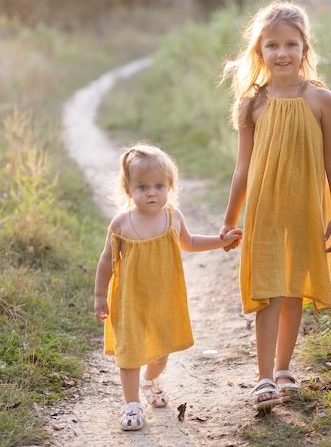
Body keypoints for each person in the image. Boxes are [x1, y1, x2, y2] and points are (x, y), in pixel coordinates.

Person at [219, 0, 331, 412]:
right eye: (272, 45)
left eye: (291, 43)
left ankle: (285, 368)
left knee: (294, 292)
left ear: (305, 49)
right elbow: (242, 169)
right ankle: (263, 377)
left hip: (305, 207)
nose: (282, 53)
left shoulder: (322, 100)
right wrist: (229, 219)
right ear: (260, 52)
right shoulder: (252, 104)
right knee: (269, 292)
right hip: (265, 209)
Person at [94, 142, 242, 431]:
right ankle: (131, 405)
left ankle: (150, 380)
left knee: (161, 352)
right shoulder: (121, 224)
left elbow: (190, 242)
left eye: (159, 186)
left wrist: (221, 240)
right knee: (131, 352)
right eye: (143, 187)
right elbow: (105, 261)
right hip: (130, 301)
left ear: (170, 186)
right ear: (128, 190)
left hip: (163, 299)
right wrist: (101, 295)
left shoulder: (173, 217)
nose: (152, 193)